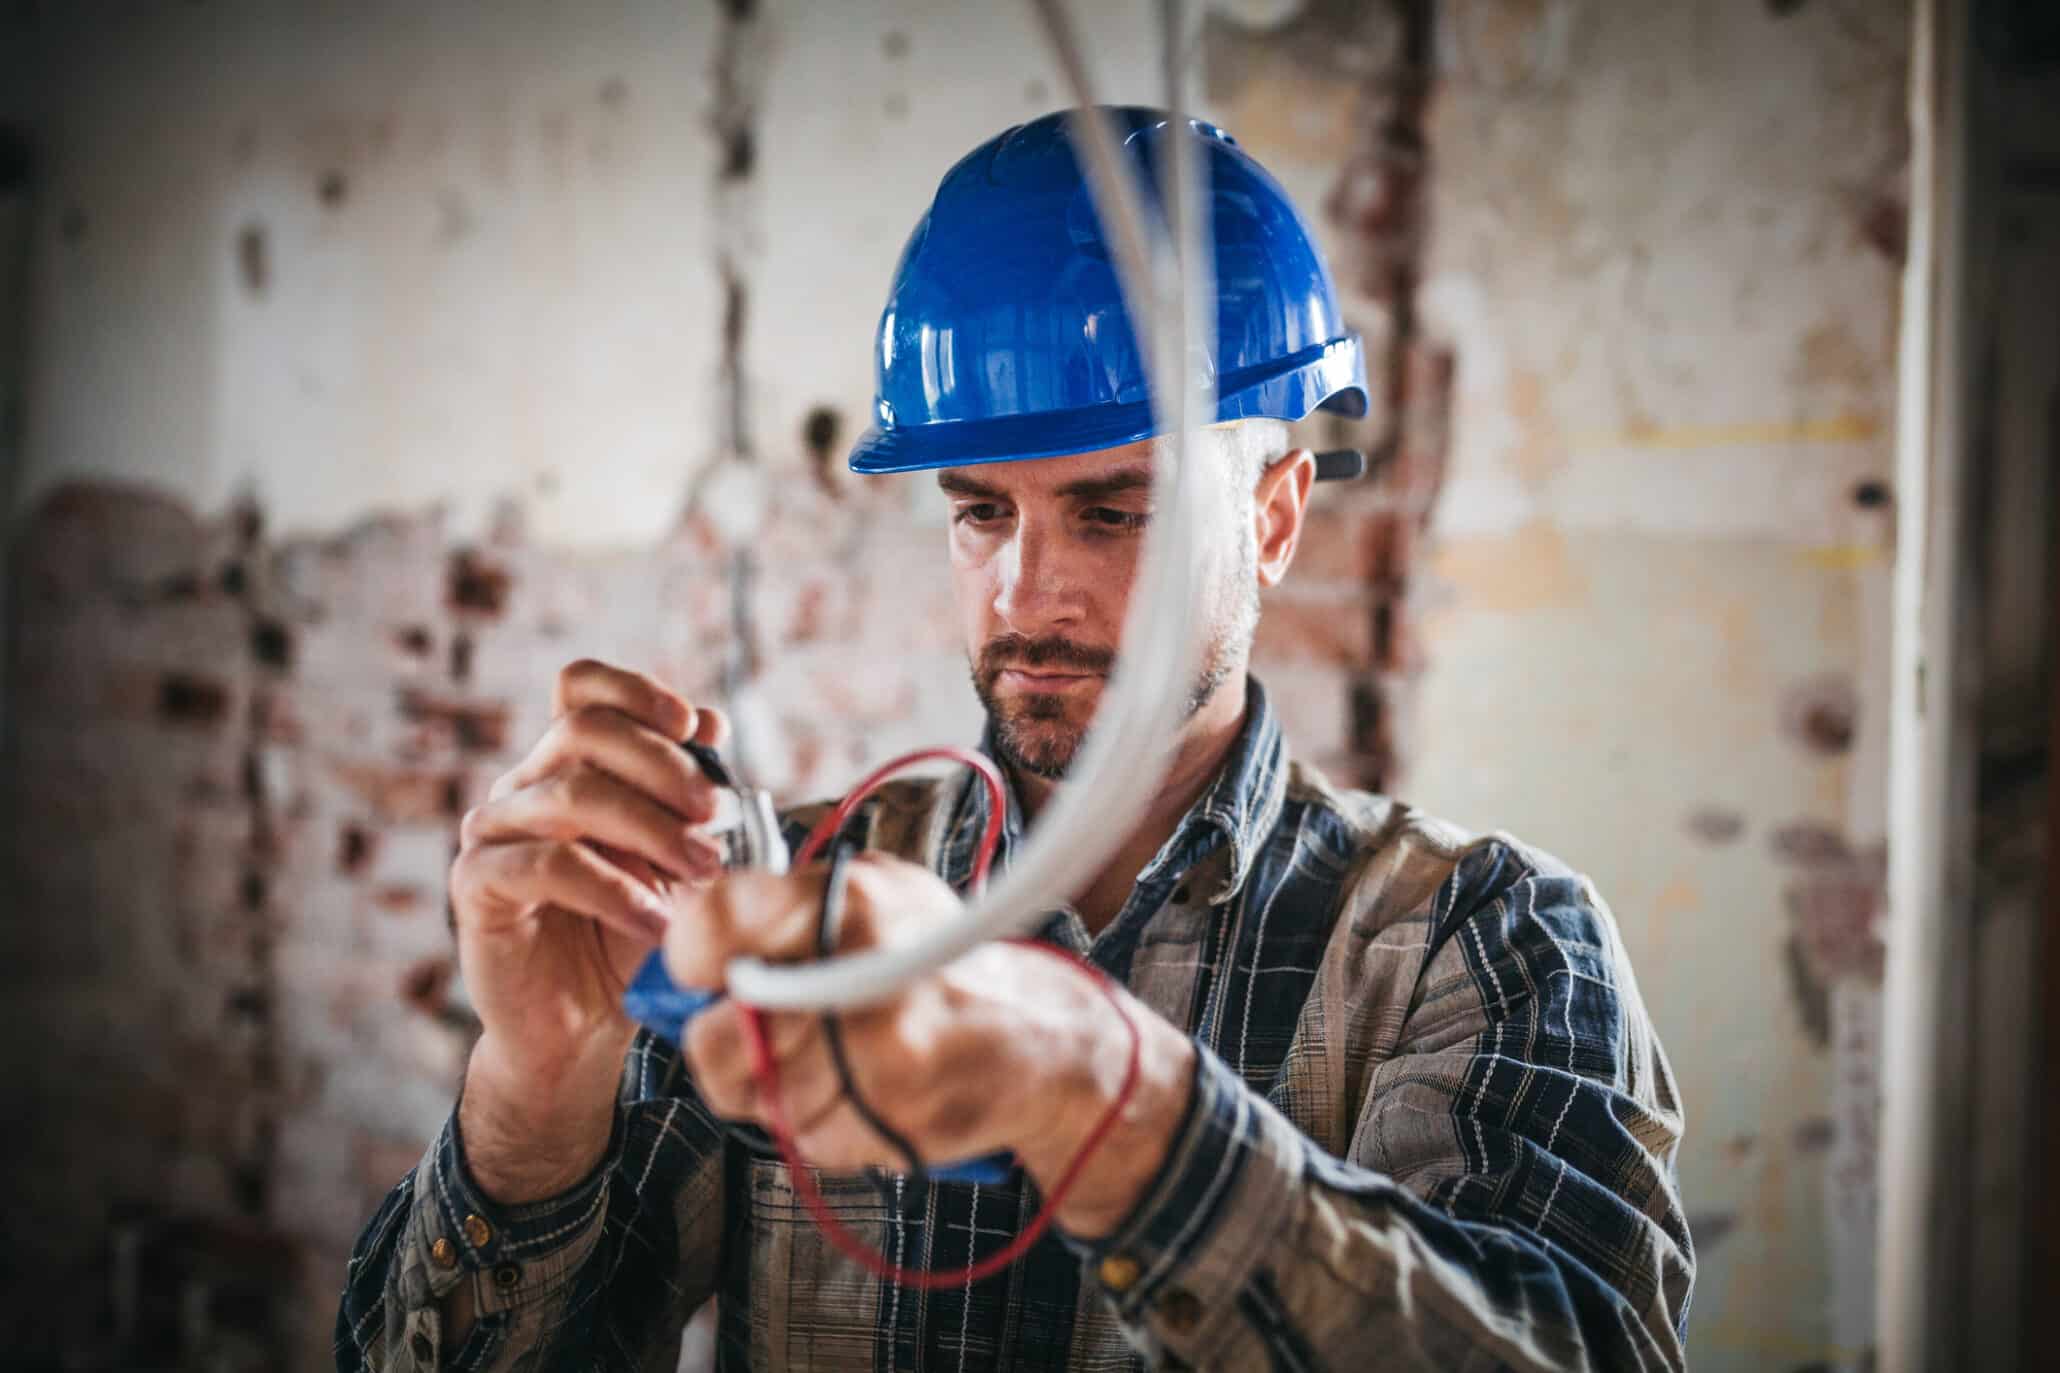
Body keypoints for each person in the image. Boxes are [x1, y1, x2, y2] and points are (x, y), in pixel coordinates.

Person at [336, 108, 1691, 1372]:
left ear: (1274, 519)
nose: (1025, 592)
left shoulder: (1484, 945)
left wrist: (1103, 1096)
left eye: (1114, 512)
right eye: (981, 509)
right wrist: (531, 1092)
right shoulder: (783, 921)